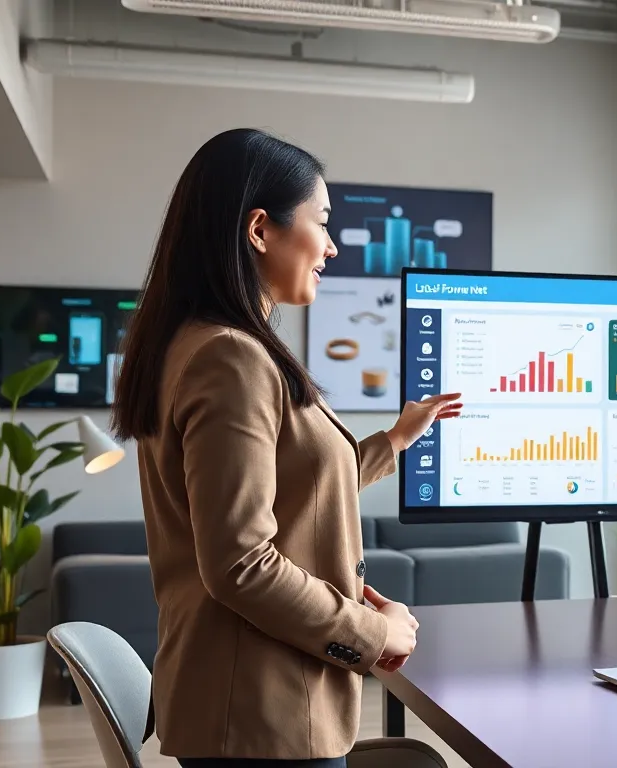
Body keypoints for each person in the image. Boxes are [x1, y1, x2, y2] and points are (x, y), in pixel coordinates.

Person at [110, 128, 463, 766]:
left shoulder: (197, 344)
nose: (330, 245)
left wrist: (396, 440)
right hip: (262, 717)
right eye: (321, 222)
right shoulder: (232, 357)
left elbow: (291, 481)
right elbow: (240, 562)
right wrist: (373, 632)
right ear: (260, 230)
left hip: (247, 707)